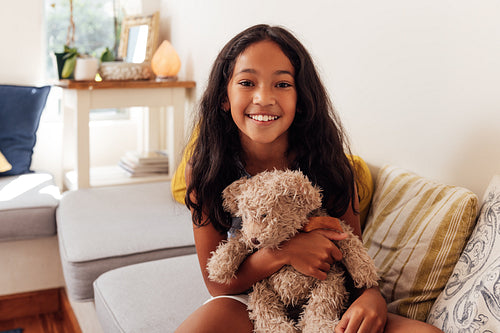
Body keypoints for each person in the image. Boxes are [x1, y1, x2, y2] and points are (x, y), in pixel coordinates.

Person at [176, 24, 442, 333]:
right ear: (224, 96)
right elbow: (217, 283)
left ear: (301, 99)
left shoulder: (330, 163)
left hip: (327, 298)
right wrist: (284, 252)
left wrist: (372, 297)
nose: (263, 98)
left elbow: (351, 252)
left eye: (282, 84)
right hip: (251, 301)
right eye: (247, 82)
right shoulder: (205, 167)